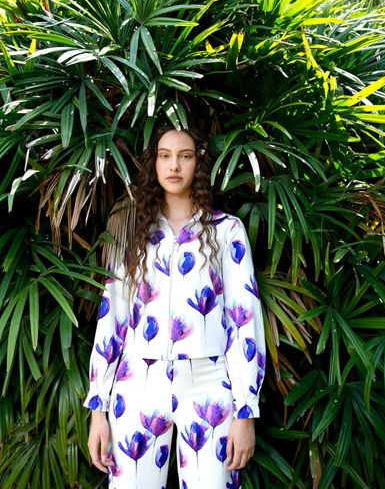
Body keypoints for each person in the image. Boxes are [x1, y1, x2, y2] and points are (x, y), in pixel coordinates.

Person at [84, 125, 266, 489]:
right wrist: (98, 409)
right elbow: (112, 318)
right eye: (165, 156)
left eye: (184, 156)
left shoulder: (226, 231)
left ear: (198, 163)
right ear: (154, 163)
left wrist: (246, 410)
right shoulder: (132, 230)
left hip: (209, 382)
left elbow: (244, 321)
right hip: (137, 383)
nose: (174, 166)